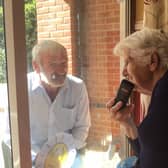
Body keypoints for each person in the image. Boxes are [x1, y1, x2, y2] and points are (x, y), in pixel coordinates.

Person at [3, 40, 91, 168]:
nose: (61, 70)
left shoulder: (77, 87)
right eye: (53, 64)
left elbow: (82, 127)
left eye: (64, 62)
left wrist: (66, 154)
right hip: (30, 158)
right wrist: (39, 158)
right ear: (36, 66)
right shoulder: (19, 89)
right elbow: (10, 133)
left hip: (68, 158)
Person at [106, 28, 168, 168]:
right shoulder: (160, 93)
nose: (124, 71)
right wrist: (127, 123)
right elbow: (149, 153)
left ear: (153, 61)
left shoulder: (164, 97)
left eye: (128, 62)